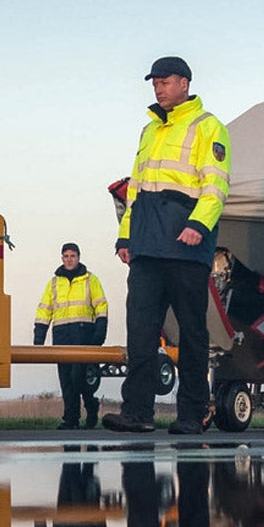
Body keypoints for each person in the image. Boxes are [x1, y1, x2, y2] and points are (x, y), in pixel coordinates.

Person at [103, 57, 231, 435]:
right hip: (146, 248)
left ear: (185, 83)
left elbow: (216, 187)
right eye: (154, 82)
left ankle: (192, 415)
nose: (158, 88)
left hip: (186, 246)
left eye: (165, 81)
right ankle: (137, 413)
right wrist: (126, 236)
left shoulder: (209, 127)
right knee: (140, 333)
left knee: (192, 333)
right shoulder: (149, 131)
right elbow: (136, 192)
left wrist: (197, 224)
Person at [33, 243, 109, 429]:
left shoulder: (90, 280)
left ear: (78, 257)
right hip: (61, 335)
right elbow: (44, 310)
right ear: (62, 258)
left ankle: (91, 406)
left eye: (72, 256)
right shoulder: (53, 283)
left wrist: (100, 333)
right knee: (66, 380)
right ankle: (70, 419)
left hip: (84, 335)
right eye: (66, 256)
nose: (69, 259)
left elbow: (101, 306)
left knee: (79, 378)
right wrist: (38, 338)